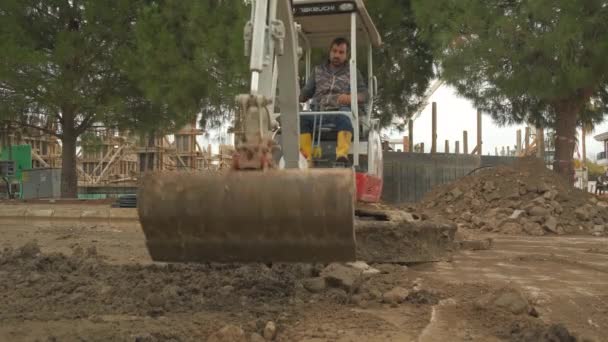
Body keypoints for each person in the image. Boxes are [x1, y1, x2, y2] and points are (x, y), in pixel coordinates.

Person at [299, 37, 367, 164]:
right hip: (319, 113)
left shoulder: (353, 72)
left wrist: (351, 98)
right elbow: (306, 92)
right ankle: (306, 158)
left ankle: (341, 155)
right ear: (330, 52)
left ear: (347, 55)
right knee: (302, 117)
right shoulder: (317, 71)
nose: (337, 55)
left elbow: (364, 94)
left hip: (339, 112)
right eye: (334, 51)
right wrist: (298, 95)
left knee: (345, 115)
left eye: (341, 52)